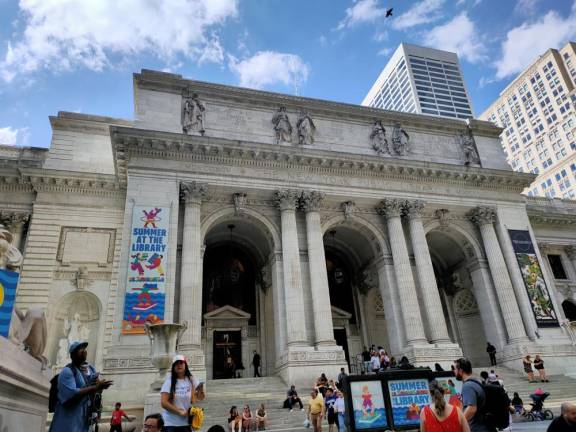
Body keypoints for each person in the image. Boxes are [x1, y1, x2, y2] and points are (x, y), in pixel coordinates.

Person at [49, 341, 113, 432]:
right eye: (80, 349)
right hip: (67, 422)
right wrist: (96, 387)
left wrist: (99, 389)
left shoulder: (90, 370)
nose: (84, 351)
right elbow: (72, 394)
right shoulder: (67, 372)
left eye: (84, 349)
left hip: (82, 420)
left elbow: (94, 394)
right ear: (73, 355)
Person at [160, 354, 205, 432]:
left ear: (185, 365)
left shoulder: (191, 380)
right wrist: (179, 412)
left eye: (181, 363)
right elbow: (164, 403)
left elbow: (200, 398)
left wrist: (201, 388)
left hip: (186, 423)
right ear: (173, 367)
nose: (179, 365)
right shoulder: (169, 381)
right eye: (176, 364)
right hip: (170, 424)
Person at [454, 357, 493, 432]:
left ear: (461, 371)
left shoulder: (468, 386)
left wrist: (458, 424)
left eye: (455, 369)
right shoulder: (476, 382)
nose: (454, 371)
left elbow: (471, 409)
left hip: (477, 428)